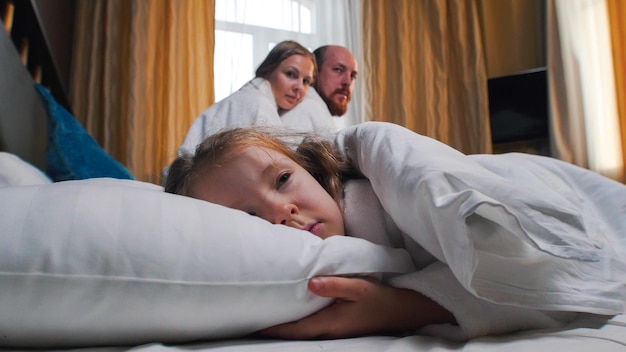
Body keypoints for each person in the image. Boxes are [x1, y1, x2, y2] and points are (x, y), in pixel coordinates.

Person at [164, 124, 626, 340]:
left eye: (284, 180)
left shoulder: (377, 191)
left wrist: (404, 307)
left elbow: (520, 260)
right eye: (250, 219)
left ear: (308, 168)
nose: (282, 210)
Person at [176, 40, 318, 158]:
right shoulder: (256, 104)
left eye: (306, 81)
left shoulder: (248, 99)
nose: (299, 87)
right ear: (267, 71)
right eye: (291, 74)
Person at [280, 45, 358, 130]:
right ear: (314, 73)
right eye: (338, 69)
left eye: (353, 76)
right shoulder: (304, 109)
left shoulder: (318, 115)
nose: (348, 82)